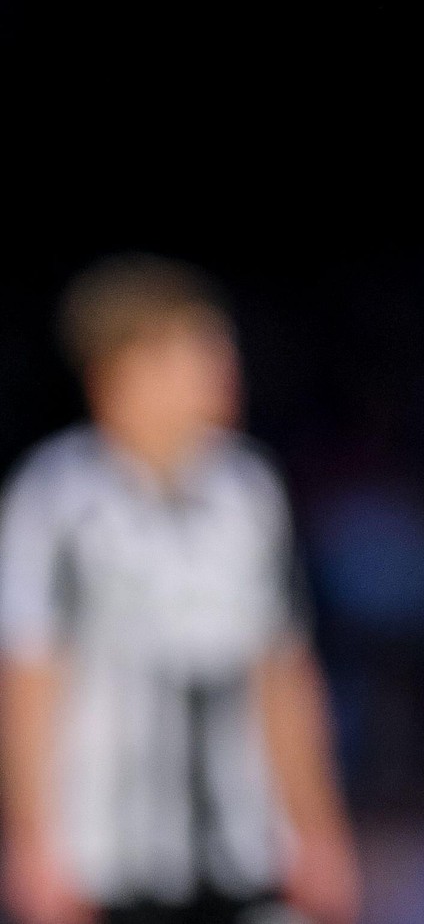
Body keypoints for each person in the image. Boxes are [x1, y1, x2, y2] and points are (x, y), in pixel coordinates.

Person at [0, 256, 360, 924]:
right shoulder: (53, 498)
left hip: (249, 853)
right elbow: (29, 677)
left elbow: (280, 671)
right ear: (125, 370)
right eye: (198, 351)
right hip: (106, 865)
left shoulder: (249, 493)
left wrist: (320, 828)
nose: (223, 370)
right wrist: (32, 843)